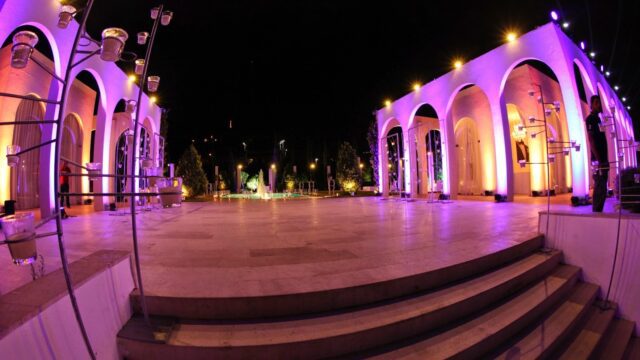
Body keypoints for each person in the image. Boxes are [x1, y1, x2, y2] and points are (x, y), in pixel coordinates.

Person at [584, 95, 609, 212]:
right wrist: (598, 159)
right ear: (592, 104)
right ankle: (596, 212)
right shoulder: (590, 119)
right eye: (596, 103)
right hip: (597, 159)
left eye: (599, 103)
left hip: (603, 158)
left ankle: (599, 211)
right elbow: (591, 140)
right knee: (599, 186)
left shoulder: (599, 119)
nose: (599, 105)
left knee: (603, 187)